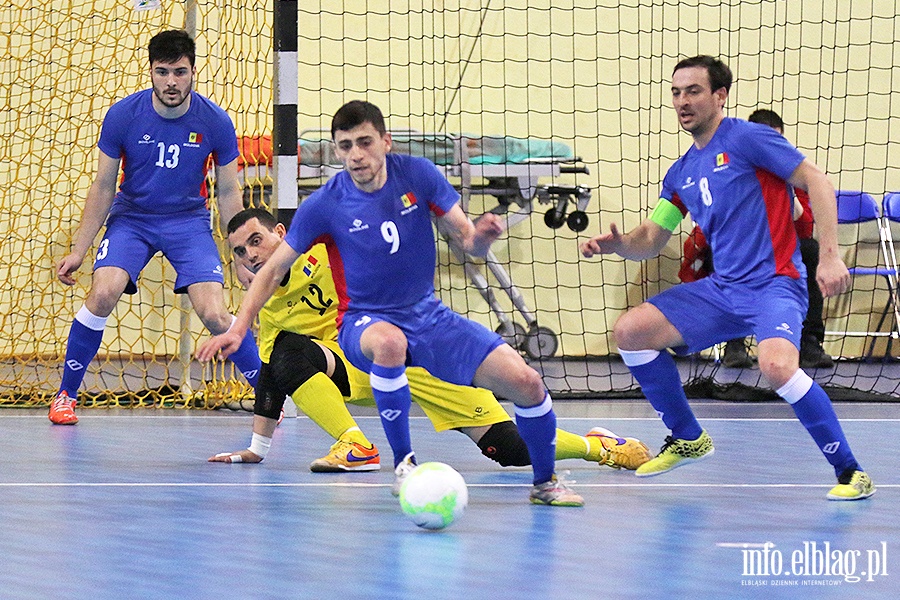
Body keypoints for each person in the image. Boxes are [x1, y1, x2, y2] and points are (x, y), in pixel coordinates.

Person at [198, 100, 584, 506]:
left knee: (526, 386)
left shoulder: (418, 175)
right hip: (362, 324)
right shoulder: (324, 205)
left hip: (429, 318)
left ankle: (547, 483)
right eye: (345, 146)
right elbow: (273, 273)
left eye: (364, 142)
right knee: (388, 342)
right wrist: (238, 328)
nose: (356, 155)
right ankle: (403, 465)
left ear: (386, 141)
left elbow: (467, 240)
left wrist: (483, 236)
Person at [579, 55, 875, 500]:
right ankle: (687, 437)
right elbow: (652, 239)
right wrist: (620, 245)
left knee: (777, 367)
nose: (682, 101)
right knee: (631, 331)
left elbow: (817, 180)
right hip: (723, 290)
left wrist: (828, 257)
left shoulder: (749, 138)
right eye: (676, 92)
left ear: (720, 96)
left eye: (693, 91)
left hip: (774, 282)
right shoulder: (680, 173)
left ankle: (851, 472)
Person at [206, 208, 652, 474]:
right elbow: (273, 373)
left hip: (417, 353)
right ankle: (354, 444)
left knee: (509, 450)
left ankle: (598, 447)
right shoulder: (265, 304)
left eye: (256, 241)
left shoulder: (326, 249)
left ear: (280, 236)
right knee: (289, 352)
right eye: (241, 252)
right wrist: (256, 449)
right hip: (362, 365)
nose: (251, 256)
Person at [52, 29, 261, 425]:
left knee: (215, 314)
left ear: (193, 71)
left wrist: (241, 256)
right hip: (133, 219)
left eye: (180, 72)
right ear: (150, 71)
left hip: (189, 223)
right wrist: (79, 249)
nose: (171, 82)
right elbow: (102, 186)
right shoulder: (122, 116)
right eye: (162, 72)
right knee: (103, 293)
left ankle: (267, 392)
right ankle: (65, 394)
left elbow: (230, 191)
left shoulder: (215, 121)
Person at [683, 109, 834, 370]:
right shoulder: (726, 172)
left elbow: (805, 226)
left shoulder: (794, 173)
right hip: (740, 253)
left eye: (775, 142)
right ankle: (734, 342)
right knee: (717, 252)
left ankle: (808, 341)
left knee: (810, 250)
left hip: (781, 255)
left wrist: (786, 191)